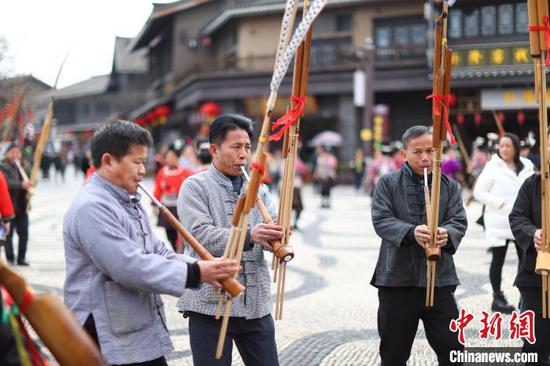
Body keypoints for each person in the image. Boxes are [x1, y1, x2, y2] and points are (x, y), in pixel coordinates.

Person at [63, 121, 239, 366]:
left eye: (143, 162)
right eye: (137, 162)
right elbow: (127, 265)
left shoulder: (128, 198)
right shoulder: (92, 206)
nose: (142, 170)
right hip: (106, 332)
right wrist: (195, 272)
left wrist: (204, 269)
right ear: (108, 161)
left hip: (131, 325)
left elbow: (156, 250)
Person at [177, 114, 283, 366]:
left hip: (255, 302)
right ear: (214, 149)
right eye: (236, 147)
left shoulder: (260, 189)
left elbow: (271, 226)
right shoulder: (194, 186)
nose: (244, 154)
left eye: (247, 147)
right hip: (210, 304)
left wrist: (275, 239)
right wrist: (250, 235)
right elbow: (200, 237)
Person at [370, 125, 467, 365]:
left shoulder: (449, 186)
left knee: (453, 348)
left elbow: (458, 220)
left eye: (431, 150)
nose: (425, 158)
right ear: (404, 154)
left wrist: (448, 233)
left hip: (440, 280)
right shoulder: (387, 183)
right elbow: (381, 220)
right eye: (417, 152)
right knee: (394, 352)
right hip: (397, 281)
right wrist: (411, 232)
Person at [474, 132, 534, 314]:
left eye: (508, 145)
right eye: (501, 146)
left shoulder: (527, 165)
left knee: (525, 261)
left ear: (515, 147)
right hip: (499, 220)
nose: (504, 149)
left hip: (522, 221)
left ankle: (525, 297)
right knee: (497, 260)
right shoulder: (492, 167)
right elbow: (479, 192)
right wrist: (497, 202)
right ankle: (497, 297)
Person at [509, 133, 550, 366]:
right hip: (536, 276)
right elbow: (517, 217)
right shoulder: (533, 183)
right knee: (535, 346)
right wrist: (533, 232)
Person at [153, 147, 192, 252]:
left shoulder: (185, 172)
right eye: (168, 157)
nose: (170, 159)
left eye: (173, 157)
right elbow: (157, 189)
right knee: (170, 233)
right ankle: (175, 251)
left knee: (182, 233)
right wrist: (154, 204)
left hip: (180, 207)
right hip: (167, 207)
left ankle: (180, 251)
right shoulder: (162, 172)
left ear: (177, 158)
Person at [0, 143, 32, 266]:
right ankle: (10, 258)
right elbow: (6, 185)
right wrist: (21, 185)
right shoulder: (2, 167)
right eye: (12, 152)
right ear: (7, 153)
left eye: (17, 152)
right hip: (9, 208)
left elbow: (32, 179)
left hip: (22, 207)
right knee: (8, 235)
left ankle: (21, 257)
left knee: (24, 233)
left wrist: (26, 169)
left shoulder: (23, 166)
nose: (15, 155)